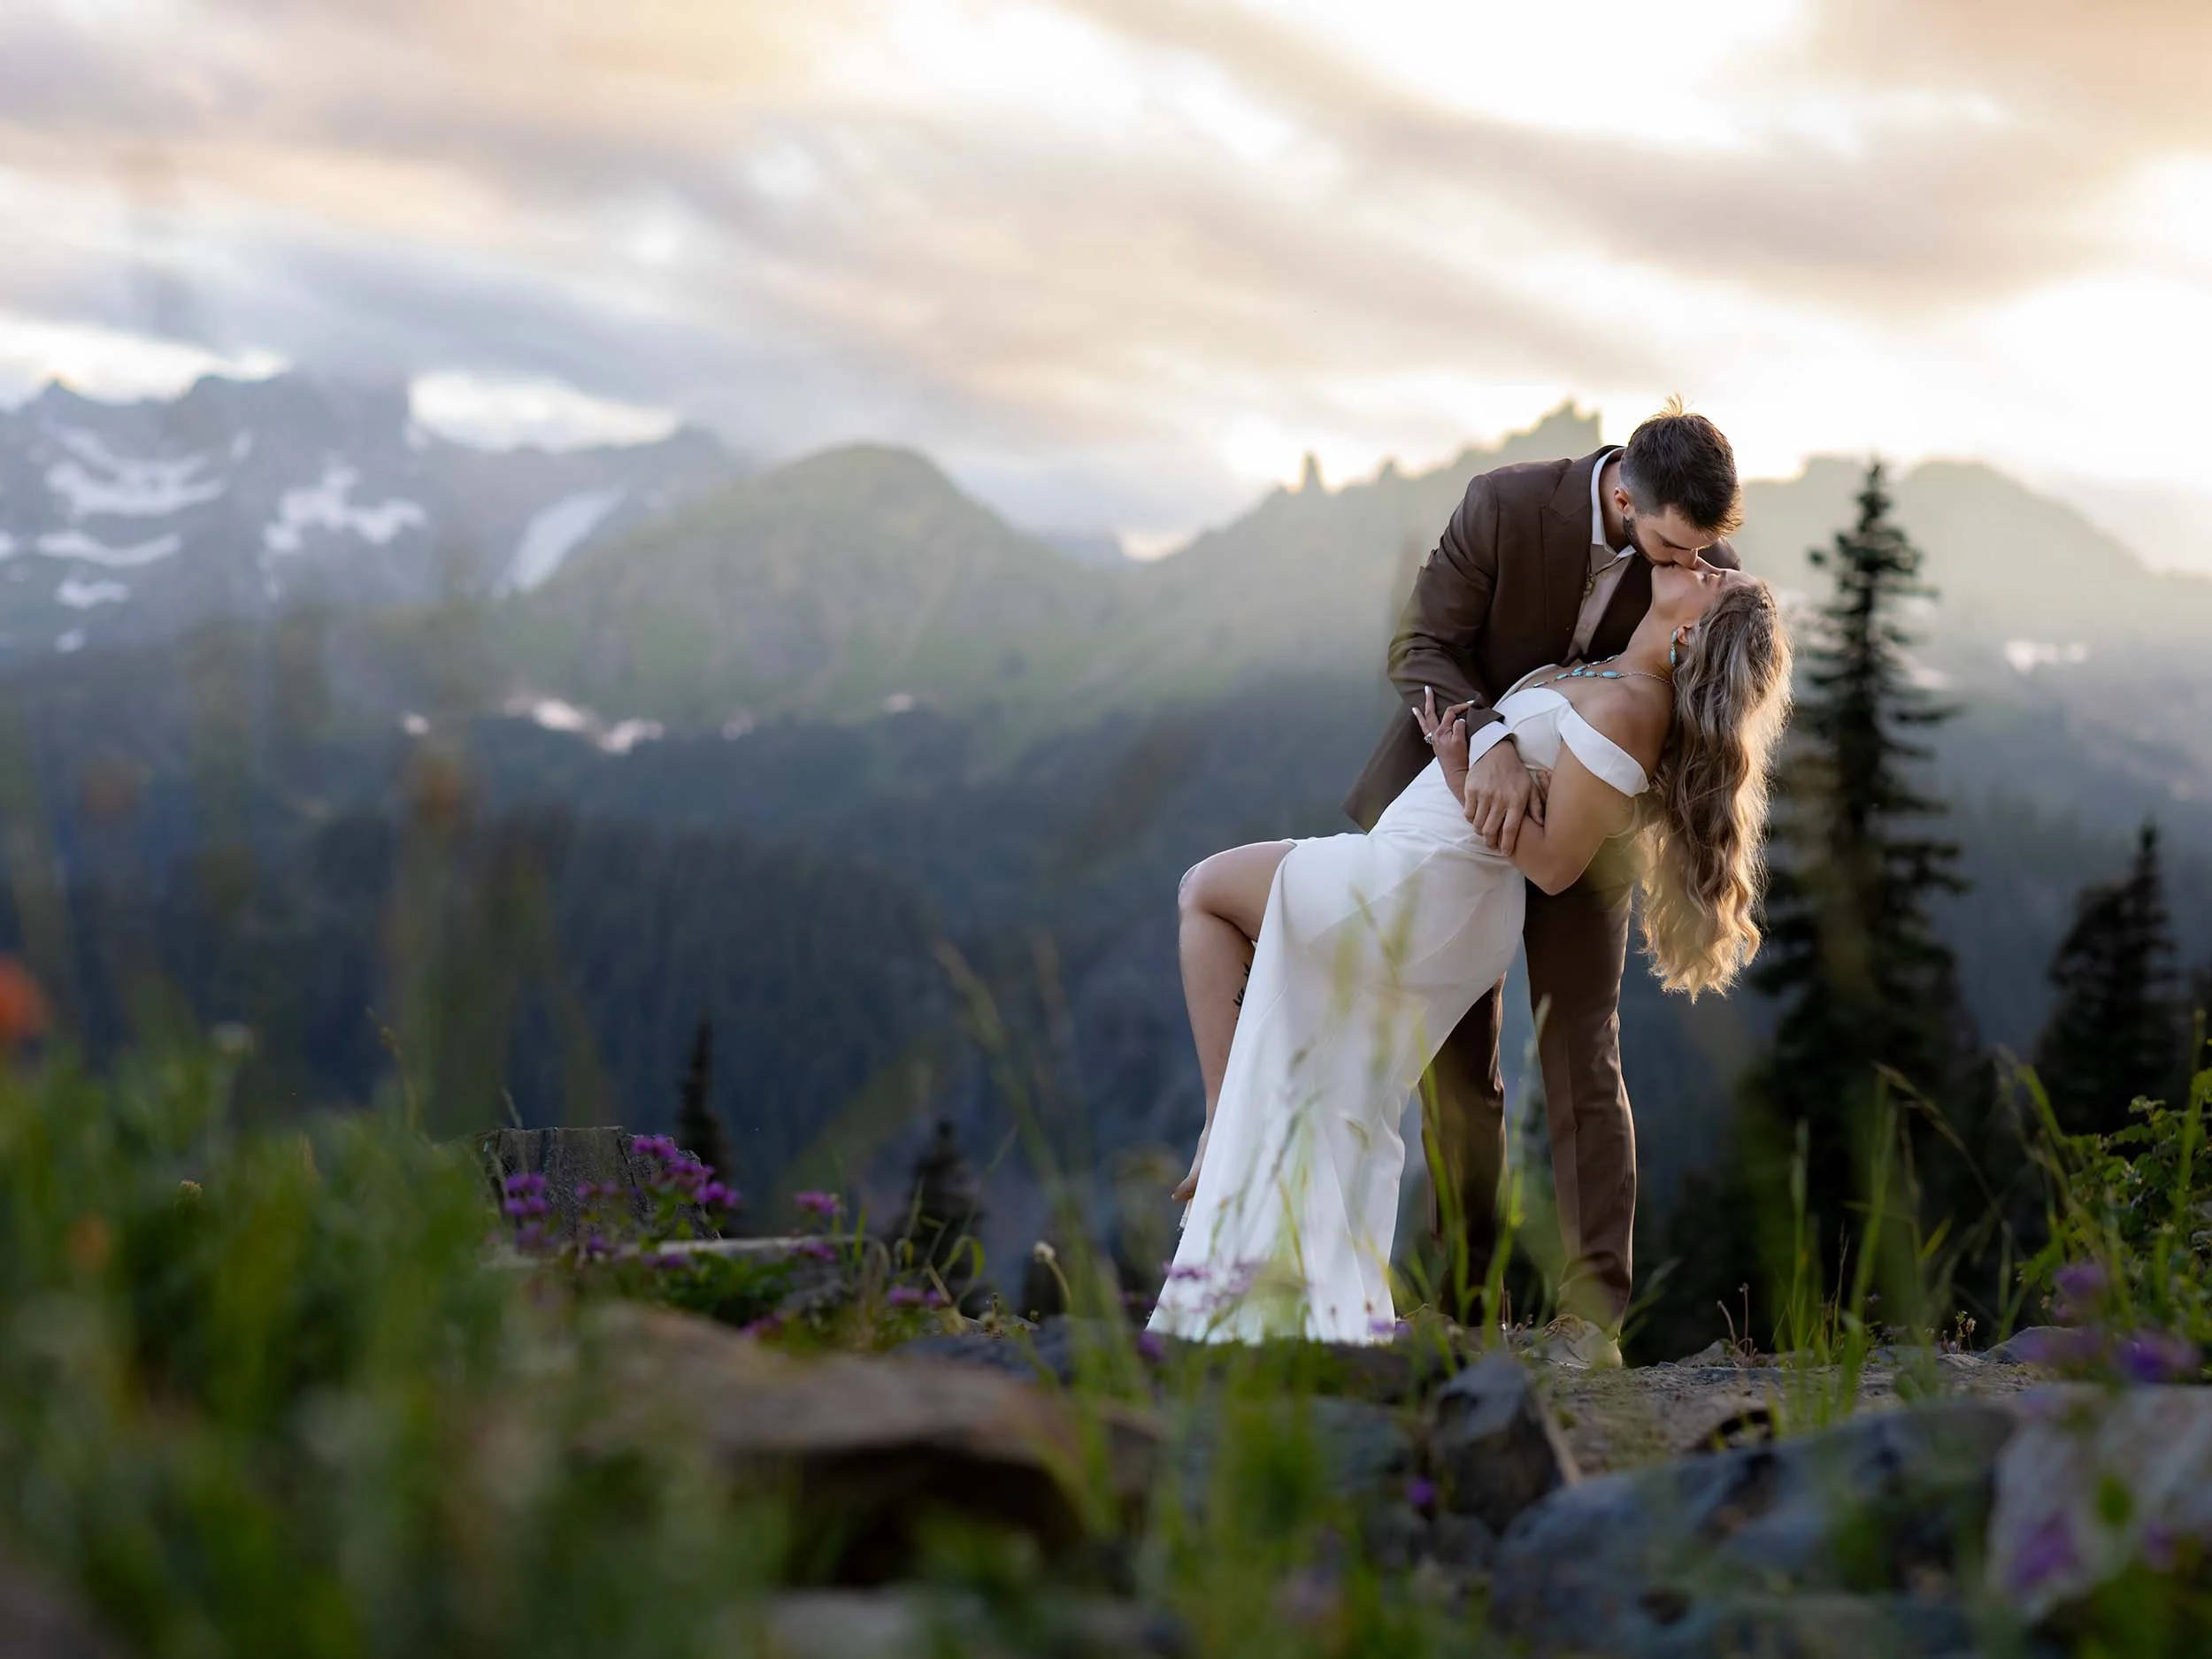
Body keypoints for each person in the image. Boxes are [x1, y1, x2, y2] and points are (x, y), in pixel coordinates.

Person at [1149, 411, 1790, 1349]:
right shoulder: (1505, 505)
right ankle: (1459, 1305)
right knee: (1455, 1079)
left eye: (1705, 553)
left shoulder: (1690, 557)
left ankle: (1592, 1318)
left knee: (1581, 1045)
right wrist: (1482, 743)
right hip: (1461, 817)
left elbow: (1686, 708)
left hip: (1581, 828)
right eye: (1676, 547)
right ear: (1623, 498)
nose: (1702, 562)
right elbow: (1423, 646)